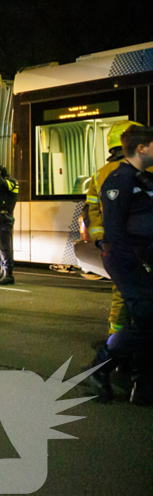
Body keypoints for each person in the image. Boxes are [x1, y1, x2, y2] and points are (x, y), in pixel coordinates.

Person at [90, 125, 153, 406]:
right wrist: (137, 260)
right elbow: (113, 229)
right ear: (141, 148)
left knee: (146, 320)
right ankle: (102, 367)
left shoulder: (140, 177)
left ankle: (142, 385)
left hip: (139, 259)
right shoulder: (119, 179)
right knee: (145, 319)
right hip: (130, 261)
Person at [83, 120, 142, 337]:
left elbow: (92, 213)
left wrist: (100, 240)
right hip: (143, 244)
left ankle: (116, 346)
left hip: (117, 247)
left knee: (121, 295)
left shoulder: (100, 175)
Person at [0, 165, 18, 285]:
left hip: (4, 218)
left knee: (4, 247)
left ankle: (8, 274)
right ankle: (3, 271)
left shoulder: (11, 183)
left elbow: (0, 183)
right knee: (0, 247)